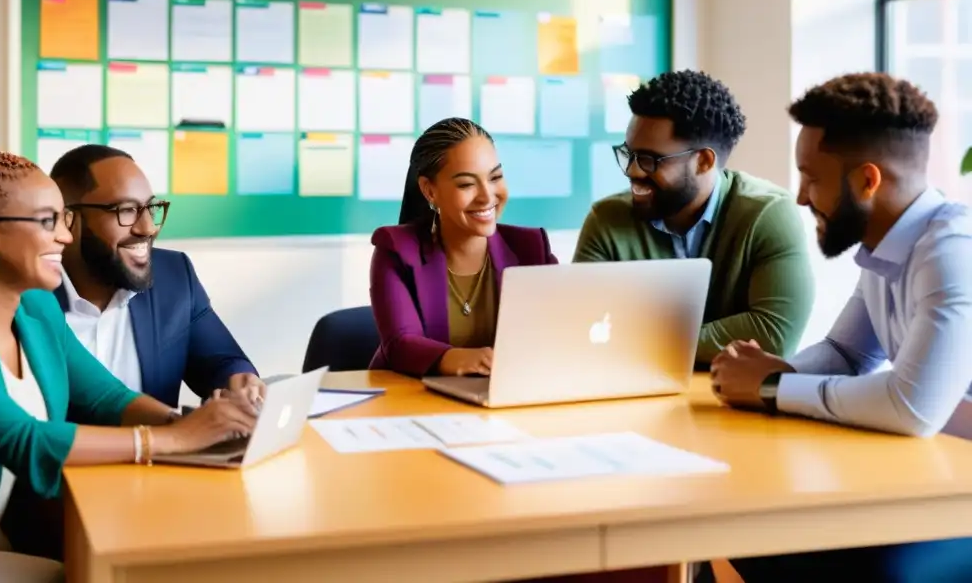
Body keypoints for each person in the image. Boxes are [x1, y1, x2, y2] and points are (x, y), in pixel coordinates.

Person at [0, 137, 258, 582]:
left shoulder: (34, 308)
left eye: (64, 219)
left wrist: (192, 427)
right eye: (47, 221)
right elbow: (27, 440)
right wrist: (171, 441)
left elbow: (105, 398)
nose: (65, 235)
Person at [708, 73, 972, 582]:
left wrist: (771, 386)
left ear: (867, 181)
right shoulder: (884, 247)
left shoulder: (950, 253)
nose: (802, 198)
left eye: (811, 177)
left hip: (958, 498)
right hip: (941, 472)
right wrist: (770, 371)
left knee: (792, 543)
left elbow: (912, 408)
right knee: (747, 528)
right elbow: (847, 353)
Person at [573, 69, 813, 365]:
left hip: (734, 404)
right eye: (629, 154)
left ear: (703, 161)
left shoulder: (768, 215)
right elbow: (582, 328)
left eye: (649, 160)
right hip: (633, 399)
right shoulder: (607, 220)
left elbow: (773, 334)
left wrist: (636, 339)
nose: (633, 171)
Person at [48, 145, 262, 409]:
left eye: (151, 208)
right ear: (67, 219)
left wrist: (239, 381)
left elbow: (222, 361)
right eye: (126, 210)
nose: (148, 228)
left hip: (159, 450)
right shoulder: (28, 295)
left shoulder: (173, 276)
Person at [369, 117, 557, 378]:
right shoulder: (396, 250)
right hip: (411, 400)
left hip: (503, 399)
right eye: (467, 184)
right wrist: (458, 359)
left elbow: (559, 328)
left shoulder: (531, 248)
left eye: (495, 177)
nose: (487, 195)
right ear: (429, 191)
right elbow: (400, 343)